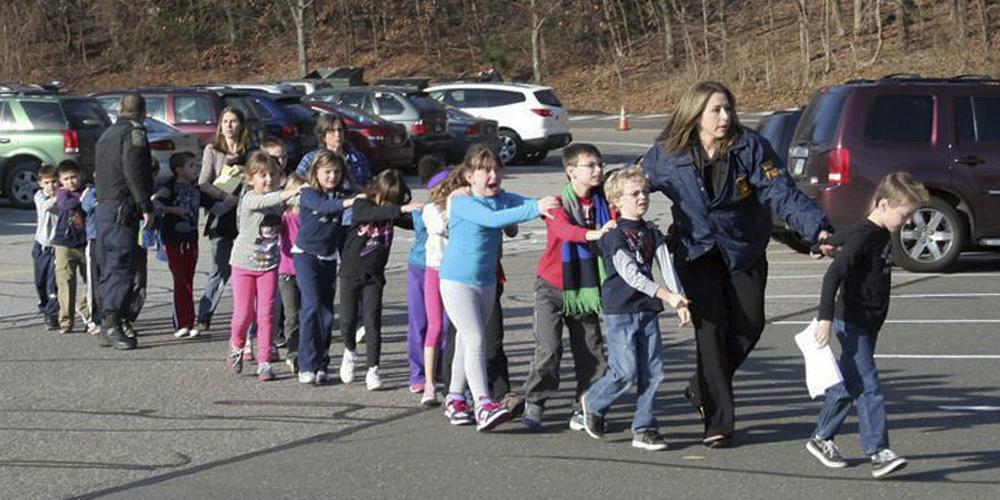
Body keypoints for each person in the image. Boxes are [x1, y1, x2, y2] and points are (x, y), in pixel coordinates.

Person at [641, 81, 832, 447]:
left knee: (750, 325)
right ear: (695, 115)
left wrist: (817, 230)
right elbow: (630, 185)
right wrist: (599, 209)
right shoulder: (667, 153)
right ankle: (718, 421)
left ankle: (701, 387)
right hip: (695, 252)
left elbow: (783, 193)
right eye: (716, 110)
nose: (725, 117)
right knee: (710, 333)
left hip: (742, 248)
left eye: (728, 108)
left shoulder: (750, 147)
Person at [806, 172, 927, 478]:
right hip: (852, 322)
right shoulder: (867, 235)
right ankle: (878, 451)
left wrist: (825, 244)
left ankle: (821, 438)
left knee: (849, 383)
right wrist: (824, 319)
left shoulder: (877, 230)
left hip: (869, 322)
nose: (908, 222)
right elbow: (833, 276)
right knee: (869, 387)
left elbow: (845, 235)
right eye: (905, 215)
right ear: (884, 205)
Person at [438, 144, 559, 432]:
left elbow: (523, 204)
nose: (493, 175)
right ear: (469, 176)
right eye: (485, 170)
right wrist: (535, 208)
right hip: (456, 280)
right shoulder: (464, 203)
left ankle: (455, 398)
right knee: (475, 337)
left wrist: (551, 203)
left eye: (496, 169)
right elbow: (493, 219)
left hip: (486, 280)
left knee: (468, 342)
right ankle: (483, 403)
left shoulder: (501, 198)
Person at [578, 167, 691, 451]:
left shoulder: (652, 231)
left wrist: (680, 300)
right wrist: (667, 295)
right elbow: (631, 274)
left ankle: (645, 428)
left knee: (653, 372)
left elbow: (665, 265)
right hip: (621, 310)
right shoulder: (614, 235)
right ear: (616, 201)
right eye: (635, 193)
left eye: (644, 192)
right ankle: (592, 402)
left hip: (647, 309)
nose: (642, 197)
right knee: (625, 371)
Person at [521, 144, 616, 431]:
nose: (598, 170)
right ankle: (535, 401)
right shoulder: (556, 204)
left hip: (585, 288)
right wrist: (594, 233)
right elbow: (563, 231)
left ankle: (586, 405)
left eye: (600, 164)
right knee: (549, 349)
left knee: (591, 350)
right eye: (590, 165)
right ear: (571, 171)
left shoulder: (605, 202)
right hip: (552, 285)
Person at [338, 169, 422, 390]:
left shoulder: (391, 213)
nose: (392, 206)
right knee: (347, 321)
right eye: (390, 200)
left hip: (374, 276)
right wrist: (399, 209)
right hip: (350, 273)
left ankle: (372, 369)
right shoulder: (361, 204)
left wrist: (430, 215)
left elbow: (410, 221)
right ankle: (349, 351)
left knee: (372, 323)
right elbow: (372, 214)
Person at [224, 152, 301, 381]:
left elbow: (297, 204)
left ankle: (265, 361)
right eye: (262, 175)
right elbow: (265, 201)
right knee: (244, 314)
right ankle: (237, 345)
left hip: (269, 265)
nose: (268, 179)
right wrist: (289, 192)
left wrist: (307, 193)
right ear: (250, 179)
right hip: (243, 264)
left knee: (267, 314)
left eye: (273, 175)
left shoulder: (279, 199)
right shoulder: (249, 198)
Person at [93, 93, 155, 350]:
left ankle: (105, 321)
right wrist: (146, 206)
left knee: (107, 266)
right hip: (122, 208)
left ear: (120, 109)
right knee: (122, 265)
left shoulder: (106, 134)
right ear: (142, 112)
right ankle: (113, 322)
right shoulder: (134, 133)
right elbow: (135, 171)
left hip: (105, 207)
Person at [294, 150, 361, 385]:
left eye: (336, 172)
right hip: (305, 256)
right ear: (316, 173)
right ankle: (305, 364)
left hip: (328, 257)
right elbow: (325, 207)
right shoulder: (308, 193)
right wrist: (349, 201)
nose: (332, 176)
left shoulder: (343, 193)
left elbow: (365, 196)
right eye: (327, 172)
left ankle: (322, 363)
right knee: (311, 305)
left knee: (325, 313)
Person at [196, 106, 254, 333]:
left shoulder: (251, 151)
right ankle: (204, 315)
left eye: (233, 121)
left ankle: (248, 319)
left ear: (241, 125)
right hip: (221, 214)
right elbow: (203, 183)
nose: (229, 126)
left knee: (248, 269)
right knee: (220, 268)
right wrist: (224, 196)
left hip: (245, 217)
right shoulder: (213, 150)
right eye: (225, 121)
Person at [153, 152, 202, 338]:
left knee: (188, 279)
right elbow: (155, 204)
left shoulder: (196, 189)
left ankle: (190, 322)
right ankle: (182, 322)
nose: (195, 169)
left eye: (196, 165)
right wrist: (173, 209)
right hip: (173, 238)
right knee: (180, 280)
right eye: (191, 166)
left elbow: (214, 203)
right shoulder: (169, 187)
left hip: (192, 237)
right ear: (179, 170)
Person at [417, 160, 453, 405]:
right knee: (436, 326)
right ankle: (429, 383)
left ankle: (453, 379)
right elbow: (440, 227)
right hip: (435, 270)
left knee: (455, 328)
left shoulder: (460, 207)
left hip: (455, 272)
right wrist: (449, 210)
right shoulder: (430, 210)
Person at [52, 161, 95, 334]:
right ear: (60, 181)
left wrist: (86, 196)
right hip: (65, 243)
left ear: (80, 175)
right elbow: (66, 205)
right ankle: (66, 321)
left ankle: (85, 308)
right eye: (66, 179)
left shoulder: (87, 190)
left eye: (74, 177)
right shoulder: (62, 194)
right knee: (66, 281)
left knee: (91, 280)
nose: (71, 182)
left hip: (84, 242)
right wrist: (81, 198)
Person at [294, 114, 371, 190]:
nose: (338, 134)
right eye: (332, 131)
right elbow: (295, 183)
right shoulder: (310, 158)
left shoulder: (359, 158)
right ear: (323, 136)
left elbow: (368, 183)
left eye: (340, 130)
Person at [279, 174, 306, 373]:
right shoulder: (284, 218)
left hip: (307, 270)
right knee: (292, 315)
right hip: (287, 272)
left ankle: (307, 351)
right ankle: (293, 353)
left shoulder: (309, 216)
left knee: (308, 313)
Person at [33, 164, 60, 331]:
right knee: (40, 282)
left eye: (55, 182)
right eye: (47, 182)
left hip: (55, 247)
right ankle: (44, 306)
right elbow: (46, 206)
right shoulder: (39, 197)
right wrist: (61, 195)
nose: (51, 186)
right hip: (41, 246)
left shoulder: (63, 197)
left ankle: (52, 315)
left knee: (52, 284)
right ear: (41, 183)